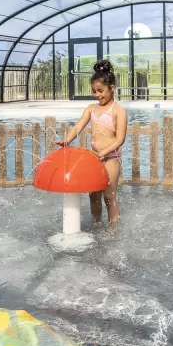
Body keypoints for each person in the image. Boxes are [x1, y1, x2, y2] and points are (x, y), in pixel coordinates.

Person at [56, 60, 128, 224]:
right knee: (93, 195)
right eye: (94, 91)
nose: (97, 95)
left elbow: (120, 139)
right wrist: (67, 140)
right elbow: (77, 127)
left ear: (112, 88)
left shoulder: (119, 110)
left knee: (109, 196)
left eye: (101, 91)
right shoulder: (91, 109)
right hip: (95, 157)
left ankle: (113, 230)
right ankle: (96, 225)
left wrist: (103, 153)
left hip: (111, 158)